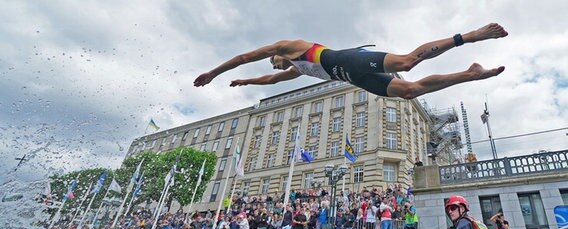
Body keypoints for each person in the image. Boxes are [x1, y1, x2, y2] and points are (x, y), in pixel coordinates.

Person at [194, 24, 508, 100]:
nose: (274, 65)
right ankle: (471, 74)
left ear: (276, 54)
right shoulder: (296, 69)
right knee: (411, 90)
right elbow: (269, 81)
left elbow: (244, 57)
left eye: (274, 62)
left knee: (409, 61)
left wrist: (214, 72)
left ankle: (470, 36)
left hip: (351, 61)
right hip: (358, 79)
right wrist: (245, 82)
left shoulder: (287, 46)